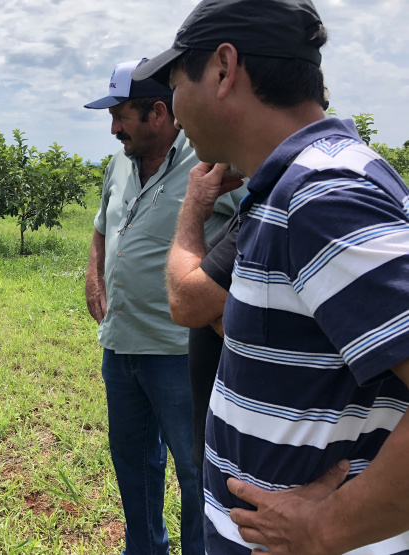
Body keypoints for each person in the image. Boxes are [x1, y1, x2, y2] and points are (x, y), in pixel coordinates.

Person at [135, 0, 409, 553]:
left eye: (174, 80)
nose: (172, 102)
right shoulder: (289, 189)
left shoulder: (323, 195)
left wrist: (328, 525)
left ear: (223, 68)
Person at [83, 58, 241, 555]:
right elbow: (102, 226)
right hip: (121, 345)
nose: (113, 130)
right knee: (133, 463)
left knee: (197, 469)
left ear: (157, 112)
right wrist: (94, 271)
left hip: (182, 351)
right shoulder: (118, 164)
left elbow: (249, 234)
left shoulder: (212, 163)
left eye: (121, 116)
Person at [165, 162, 244, 470]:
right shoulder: (263, 199)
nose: (178, 122)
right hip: (228, 449)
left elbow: (188, 302)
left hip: (251, 471)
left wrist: (194, 207)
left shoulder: (287, 201)